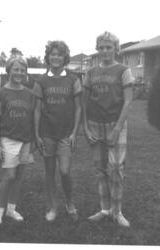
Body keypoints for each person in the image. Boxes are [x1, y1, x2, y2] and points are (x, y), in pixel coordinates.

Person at [82, 32, 134, 227]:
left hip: (116, 124)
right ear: (97, 49)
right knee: (100, 169)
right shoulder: (90, 73)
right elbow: (84, 102)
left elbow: (128, 101)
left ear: (115, 49)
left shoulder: (123, 70)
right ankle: (105, 209)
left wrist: (117, 129)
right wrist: (85, 128)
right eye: (101, 47)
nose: (105, 51)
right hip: (95, 125)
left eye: (109, 47)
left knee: (115, 169)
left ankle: (117, 211)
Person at [34, 41, 82, 222]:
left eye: (59, 54)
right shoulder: (41, 81)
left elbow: (78, 108)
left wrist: (75, 133)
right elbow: (37, 110)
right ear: (48, 57)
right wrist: (37, 135)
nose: (55, 57)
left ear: (65, 58)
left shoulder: (74, 79)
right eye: (52, 54)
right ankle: (52, 207)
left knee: (64, 171)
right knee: (49, 171)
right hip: (47, 133)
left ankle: (69, 202)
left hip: (66, 134)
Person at [0, 55, 34, 226]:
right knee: (9, 175)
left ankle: (11, 209)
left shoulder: (29, 94)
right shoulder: (0, 93)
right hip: (8, 139)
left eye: (22, 70)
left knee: (19, 177)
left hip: (25, 140)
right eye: (16, 69)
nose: (19, 73)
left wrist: (32, 141)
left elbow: (31, 118)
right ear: (8, 70)